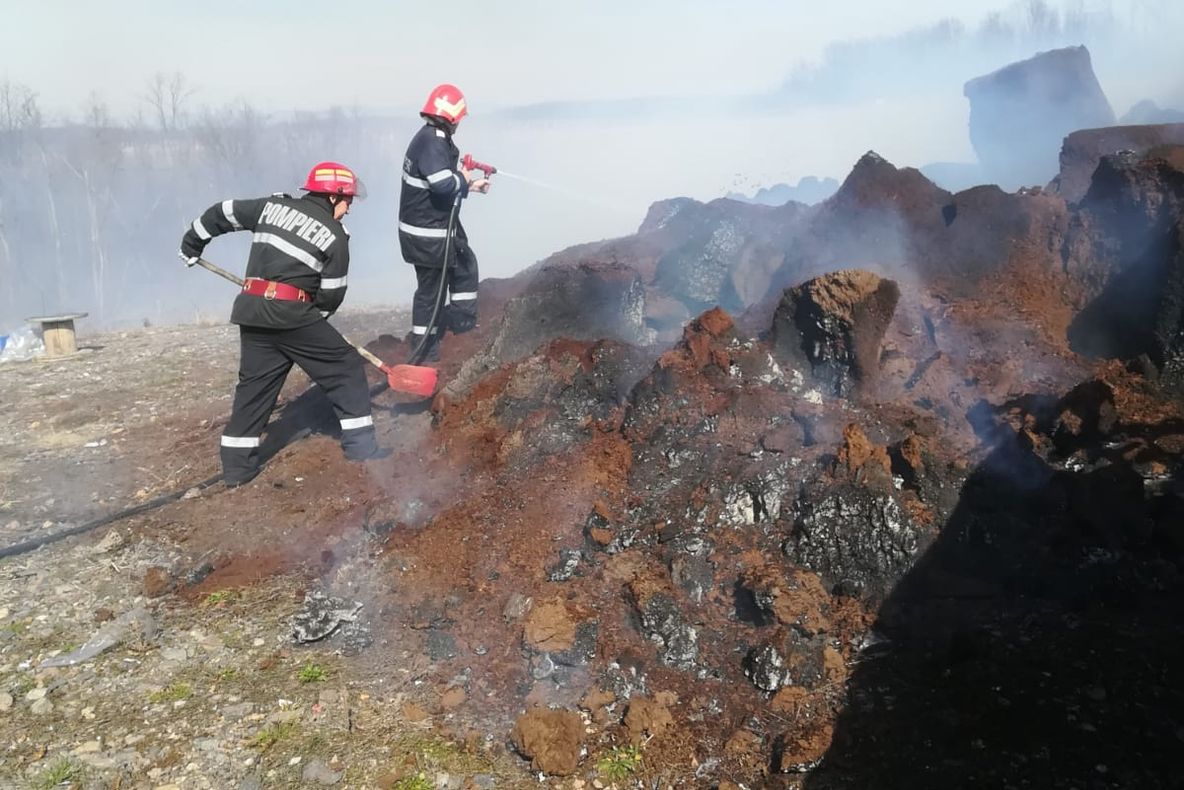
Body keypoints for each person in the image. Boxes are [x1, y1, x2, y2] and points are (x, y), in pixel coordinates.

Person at [178, 161, 384, 487]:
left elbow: (223, 211)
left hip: (252, 310)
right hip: (292, 314)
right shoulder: (334, 236)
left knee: (255, 389)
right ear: (333, 197)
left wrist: (192, 242)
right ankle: (362, 449)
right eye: (348, 201)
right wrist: (310, 322)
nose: (348, 210)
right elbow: (331, 296)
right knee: (344, 367)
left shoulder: (271, 206)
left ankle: (237, 470)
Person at [398, 83, 491, 361]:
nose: (460, 122)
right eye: (459, 117)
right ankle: (424, 348)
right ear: (451, 116)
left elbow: (441, 182)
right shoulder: (431, 141)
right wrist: (463, 179)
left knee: (463, 264)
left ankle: (462, 325)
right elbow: (441, 184)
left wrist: (470, 185)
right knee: (431, 291)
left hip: (438, 227)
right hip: (427, 234)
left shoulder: (434, 139)